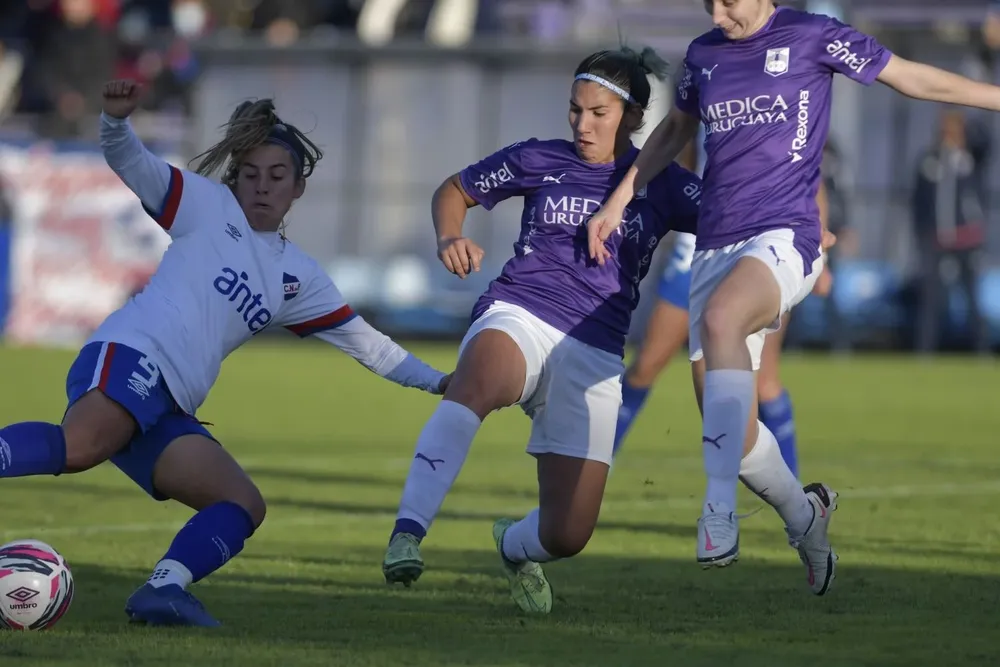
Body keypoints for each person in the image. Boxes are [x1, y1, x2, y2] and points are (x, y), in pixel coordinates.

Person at [586, 0, 1000, 595]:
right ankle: (808, 519)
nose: (717, 9)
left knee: (727, 321)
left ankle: (716, 510)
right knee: (737, 429)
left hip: (787, 237)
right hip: (713, 248)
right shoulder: (703, 55)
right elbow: (676, 129)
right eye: (708, 0)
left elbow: (909, 76)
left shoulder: (812, 36)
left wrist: (990, 93)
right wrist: (622, 195)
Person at [0, 79, 450, 627]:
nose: (262, 187)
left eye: (277, 177)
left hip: (168, 404)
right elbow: (128, 159)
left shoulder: (297, 275)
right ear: (235, 178)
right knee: (79, 448)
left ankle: (163, 590)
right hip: (131, 355)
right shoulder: (206, 206)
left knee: (240, 503)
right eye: (251, 174)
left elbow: (369, 345)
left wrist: (439, 382)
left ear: (298, 188)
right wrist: (115, 121)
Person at [382, 46, 701, 614]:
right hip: (522, 312)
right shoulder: (539, 157)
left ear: (632, 119)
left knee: (568, 534)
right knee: (475, 383)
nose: (582, 124)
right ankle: (408, 532)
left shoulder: (667, 186)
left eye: (598, 113)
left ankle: (512, 545)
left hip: (598, 349)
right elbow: (454, 190)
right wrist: (449, 236)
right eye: (575, 110)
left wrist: (803, 230)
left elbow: (736, 213)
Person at [615, 163, 836, 476]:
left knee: (765, 382)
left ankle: (796, 500)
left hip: (766, 241)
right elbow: (677, 145)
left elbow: (812, 175)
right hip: (702, 237)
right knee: (646, 365)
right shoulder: (700, 113)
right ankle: (587, 473)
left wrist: (819, 257)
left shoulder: (789, 116)